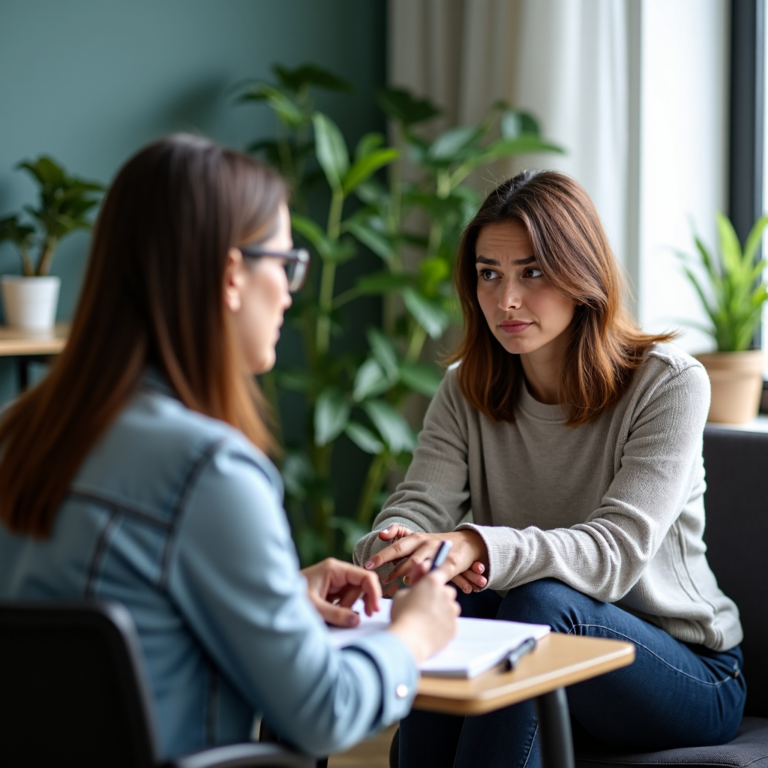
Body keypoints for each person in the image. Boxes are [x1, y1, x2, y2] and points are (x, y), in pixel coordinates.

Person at [0, 134, 459, 761]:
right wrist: (413, 635)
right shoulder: (208, 470)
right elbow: (324, 713)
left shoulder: (18, 431)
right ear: (232, 274)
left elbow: (99, 627)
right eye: (285, 263)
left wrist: (277, 596)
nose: (292, 291)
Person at [354, 171, 746, 768]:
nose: (505, 299)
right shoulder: (467, 390)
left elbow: (614, 556)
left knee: (538, 603)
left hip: (683, 671)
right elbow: (417, 506)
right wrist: (399, 550)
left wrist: (473, 543)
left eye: (532, 272)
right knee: (451, 604)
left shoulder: (669, 383)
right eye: (490, 274)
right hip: (541, 656)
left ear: (582, 275)